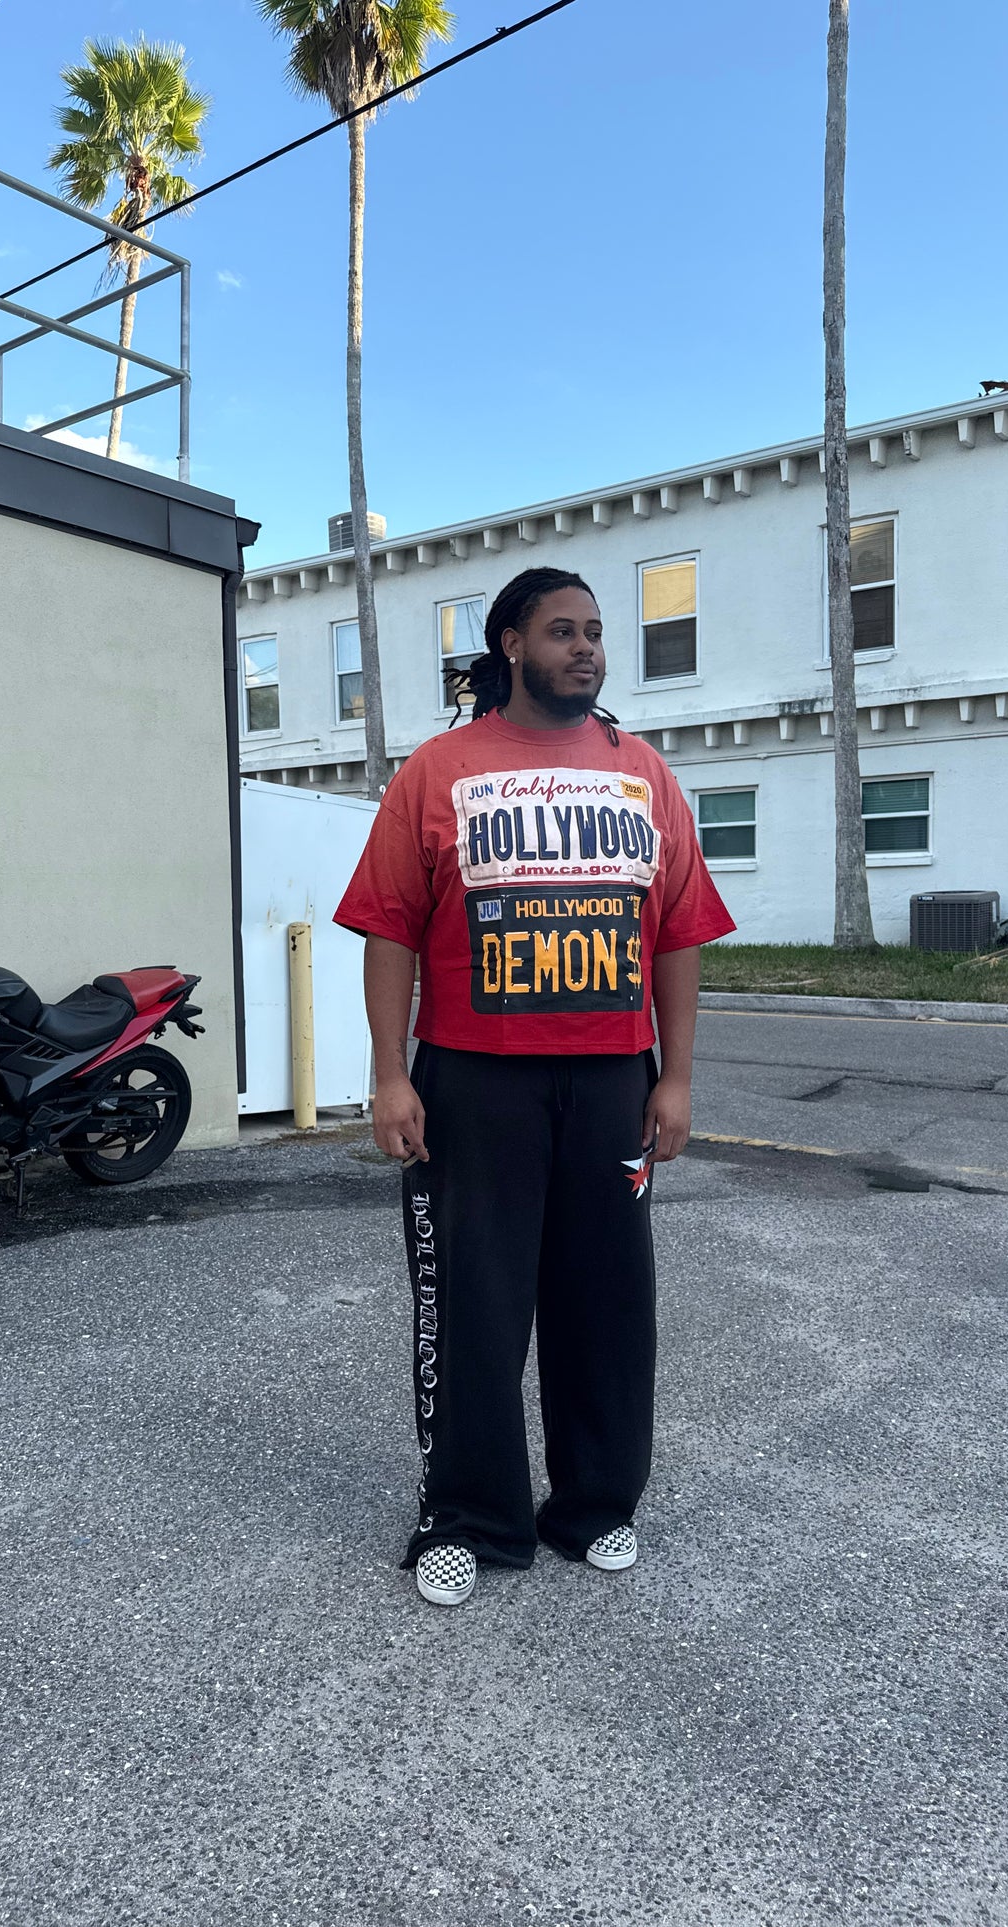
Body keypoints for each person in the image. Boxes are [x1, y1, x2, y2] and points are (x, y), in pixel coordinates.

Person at [335, 567, 735, 1607]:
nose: (587, 648)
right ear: (511, 644)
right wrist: (388, 1074)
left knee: (606, 1300)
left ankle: (595, 1504)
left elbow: (681, 932)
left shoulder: (642, 771)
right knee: (474, 1302)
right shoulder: (438, 770)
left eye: (596, 632)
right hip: (473, 1081)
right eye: (563, 631)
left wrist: (676, 1077)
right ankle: (467, 1517)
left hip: (610, 1079)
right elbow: (386, 928)